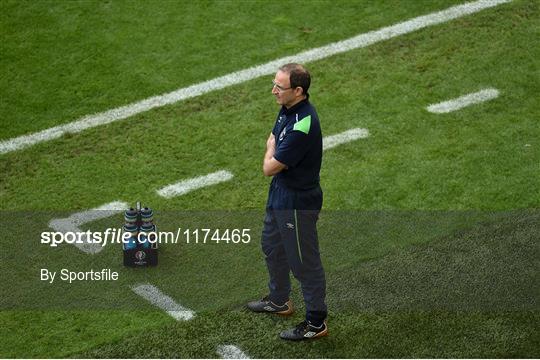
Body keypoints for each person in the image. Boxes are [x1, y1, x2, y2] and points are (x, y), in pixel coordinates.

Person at [247, 63, 327, 340]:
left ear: (298, 90)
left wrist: (270, 152)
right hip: (280, 191)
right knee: (271, 246)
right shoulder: (288, 109)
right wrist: (272, 150)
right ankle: (280, 300)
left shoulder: (303, 124)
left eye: (279, 87)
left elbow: (269, 167)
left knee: (305, 263)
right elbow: (272, 140)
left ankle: (316, 323)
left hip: (296, 200)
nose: (273, 91)